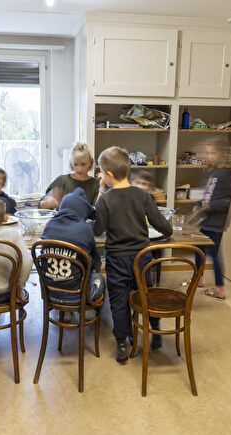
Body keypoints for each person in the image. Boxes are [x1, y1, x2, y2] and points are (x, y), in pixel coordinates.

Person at [93, 147, 173, 363]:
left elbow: (97, 229)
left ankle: (121, 344)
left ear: (108, 175)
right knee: (146, 295)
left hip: (117, 259)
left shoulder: (105, 200)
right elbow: (160, 222)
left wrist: (100, 193)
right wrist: (168, 232)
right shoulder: (143, 196)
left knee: (118, 301)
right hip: (142, 257)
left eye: (101, 172)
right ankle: (155, 332)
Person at [40, 187, 105, 305]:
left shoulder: (49, 224)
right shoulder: (85, 229)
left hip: (49, 293)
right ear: (83, 211)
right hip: (77, 295)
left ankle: (64, 311)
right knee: (100, 278)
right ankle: (91, 314)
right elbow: (95, 261)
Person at [194, 146, 231, 300]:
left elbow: (230, 201)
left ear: (221, 155)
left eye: (212, 153)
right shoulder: (213, 173)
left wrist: (211, 206)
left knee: (215, 255)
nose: (208, 156)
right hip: (206, 220)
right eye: (207, 153)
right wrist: (199, 203)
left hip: (216, 222)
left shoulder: (226, 175)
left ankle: (220, 289)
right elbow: (209, 195)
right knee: (198, 248)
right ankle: (198, 279)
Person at [40, 142, 100, 209]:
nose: (79, 169)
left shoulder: (96, 184)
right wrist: (48, 202)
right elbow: (42, 206)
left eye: (83, 164)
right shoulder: (61, 181)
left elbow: (98, 211)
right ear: (71, 164)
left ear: (90, 163)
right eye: (75, 164)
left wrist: (102, 188)